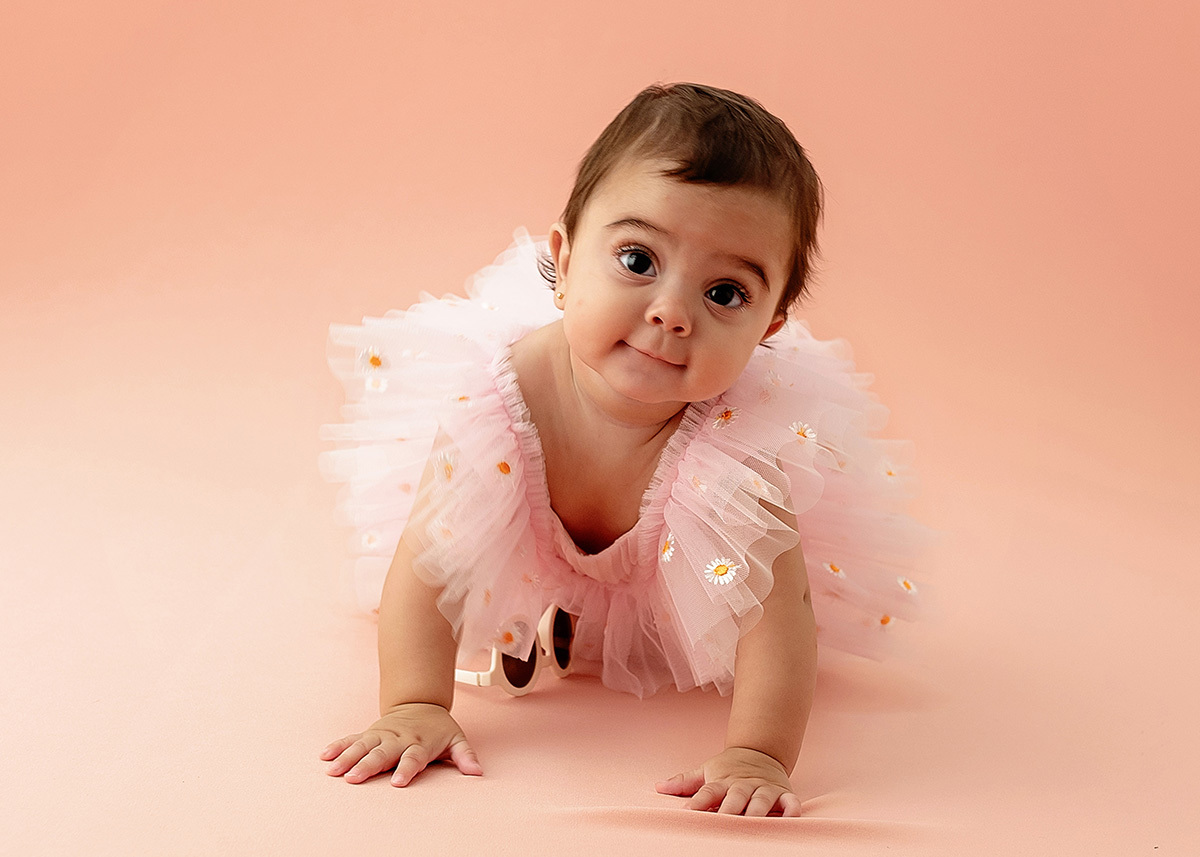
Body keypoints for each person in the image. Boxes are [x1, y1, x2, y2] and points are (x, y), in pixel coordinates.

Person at [317, 83, 924, 817]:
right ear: (565, 263)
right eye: (637, 259)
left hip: (672, 564)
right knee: (461, 548)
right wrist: (413, 703)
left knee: (746, 587)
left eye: (726, 293)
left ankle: (602, 622)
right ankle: (546, 617)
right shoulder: (496, 397)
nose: (671, 313)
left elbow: (778, 613)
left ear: (769, 327)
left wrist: (758, 752)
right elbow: (429, 560)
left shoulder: (740, 451)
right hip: (544, 512)